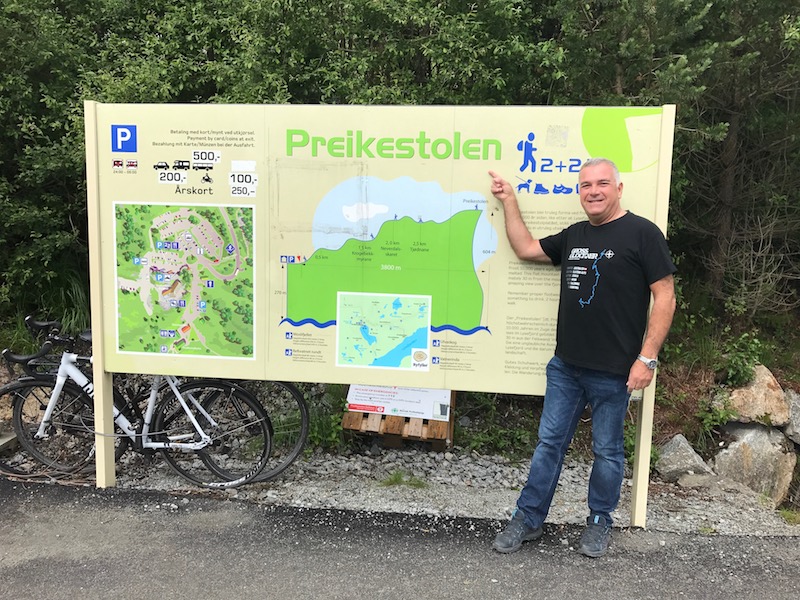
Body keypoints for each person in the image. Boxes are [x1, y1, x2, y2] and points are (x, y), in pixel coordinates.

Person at [488, 158, 676, 557]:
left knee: (607, 451)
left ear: (618, 189)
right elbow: (525, 248)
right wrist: (509, 200)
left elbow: (665, 295)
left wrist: (647, 358)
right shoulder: (575, 235)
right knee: (549, 444)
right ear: (580, 192)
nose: (593, 191)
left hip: (614, 371)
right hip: (566, 367)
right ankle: (528, 518)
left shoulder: (643, 233)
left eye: (602, 183)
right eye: (586, 185)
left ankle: (599, 521)